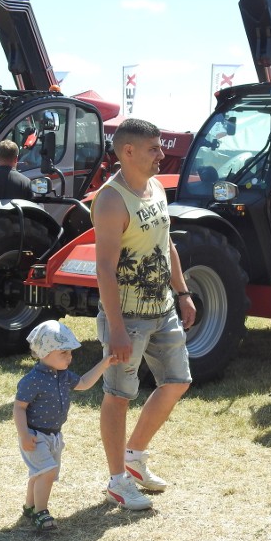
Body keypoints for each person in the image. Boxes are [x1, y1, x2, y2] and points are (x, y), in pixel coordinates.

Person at [92, 118, 196, 511]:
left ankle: (134, 457)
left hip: (162, 308)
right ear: (128, 151)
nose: (161, 155)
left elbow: (165, 241)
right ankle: (118, 480)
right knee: (119, 395)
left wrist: (182, 292)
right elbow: (104, 268)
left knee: (177, 381)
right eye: (153, 149)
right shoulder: (111, 199)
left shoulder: (155, 188)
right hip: (128, 317)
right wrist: (116, 329)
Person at [14, 320, 118, 532]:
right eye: (63, 353)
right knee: (47, 471)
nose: (69, 357)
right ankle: (41, 512)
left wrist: (104, 364)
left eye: (70, 352)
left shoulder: (63, 376)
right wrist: (24, 434)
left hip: (54, 436)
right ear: (45, 353)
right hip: (35, 435)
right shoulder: (31, 380)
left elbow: (85, 383)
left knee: (39, 472)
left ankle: (29, 506)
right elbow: (19, 408)